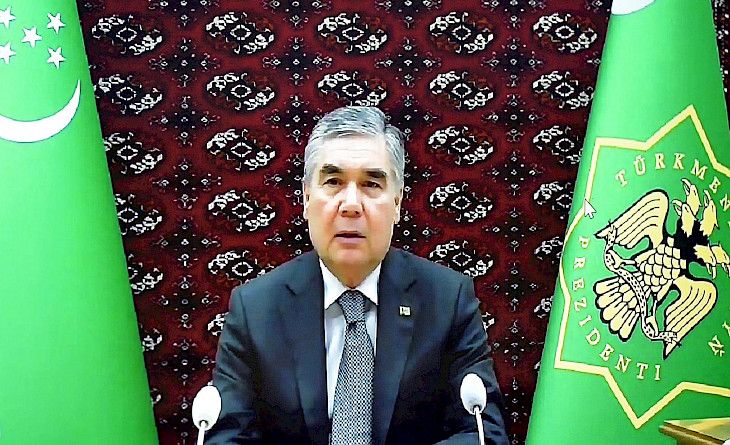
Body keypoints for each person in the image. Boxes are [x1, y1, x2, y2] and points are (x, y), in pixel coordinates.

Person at [207, 106, 507, 445]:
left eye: (371, 184)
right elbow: (226, 438)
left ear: (397, 203)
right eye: (333, 182)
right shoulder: (255, 309)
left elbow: (483, 432)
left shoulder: (447, 301)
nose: (351, 204)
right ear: (306, 198)